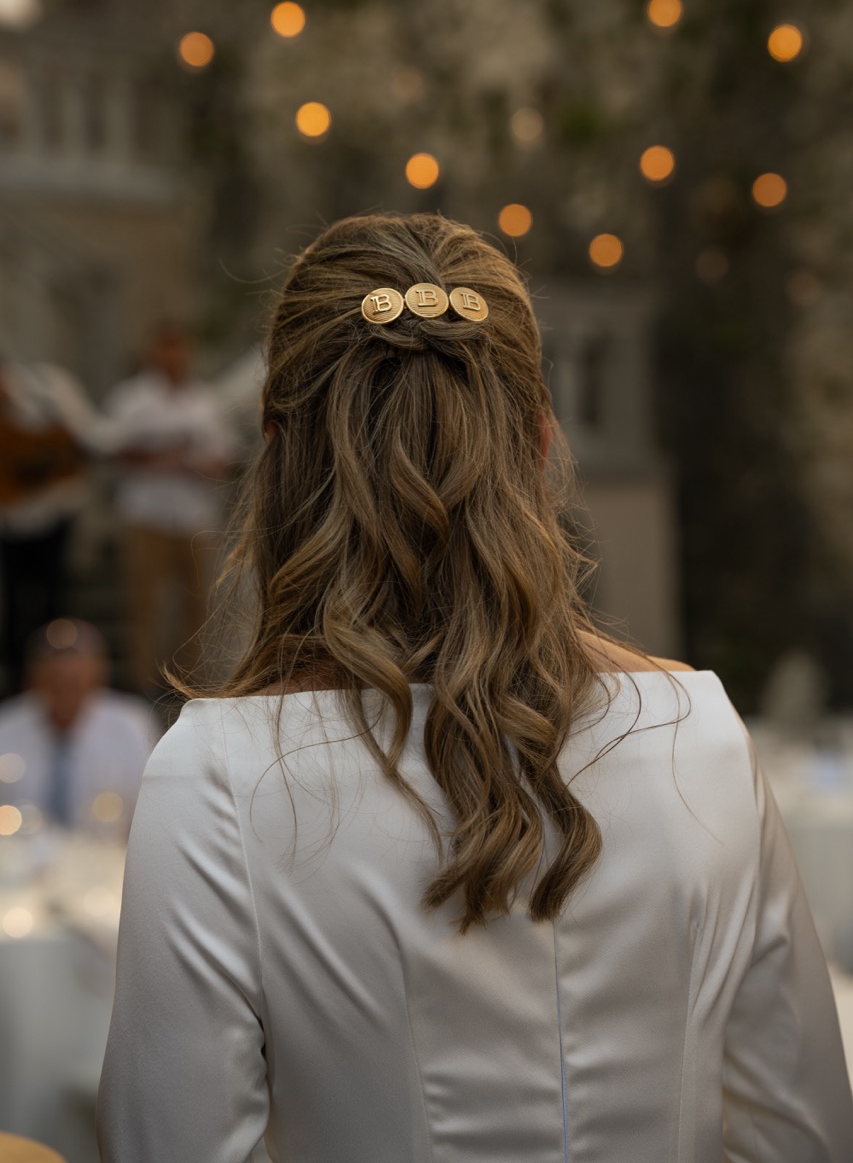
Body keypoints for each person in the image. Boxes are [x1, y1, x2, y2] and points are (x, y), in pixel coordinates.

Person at [97, 214, 853, 1162]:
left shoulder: (215, 777)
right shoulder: (698, 735)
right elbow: (803, 1136)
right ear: (538, 439)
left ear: (279, 453)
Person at [104, 324, 236, 698]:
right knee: (143, 604)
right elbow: (113, 448)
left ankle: (188, 682)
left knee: (196, 603)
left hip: (194, 517)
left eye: (180, 350)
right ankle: (141, 682)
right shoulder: (132, 399)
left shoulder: (205, 401)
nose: (174, 358)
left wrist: (201, 464)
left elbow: (225, 456)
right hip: (148, 515)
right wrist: (164, 457)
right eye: (167, 349)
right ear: (155, 353)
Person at [0, 354, 113, 695]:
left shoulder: (51, 388)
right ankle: (19, 682)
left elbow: (87, 437)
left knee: (53, 599)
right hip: (11, 522)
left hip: (54, 515)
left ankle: (56, 678)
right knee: (13, 605)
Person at [0, 618, 157, 836]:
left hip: (103, 859)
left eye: (73, 682)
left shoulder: (130, 726)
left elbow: (148, 812)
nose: (64, 691)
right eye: (54, 680)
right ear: (33, 678)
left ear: (98, 676)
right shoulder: (6, 726)